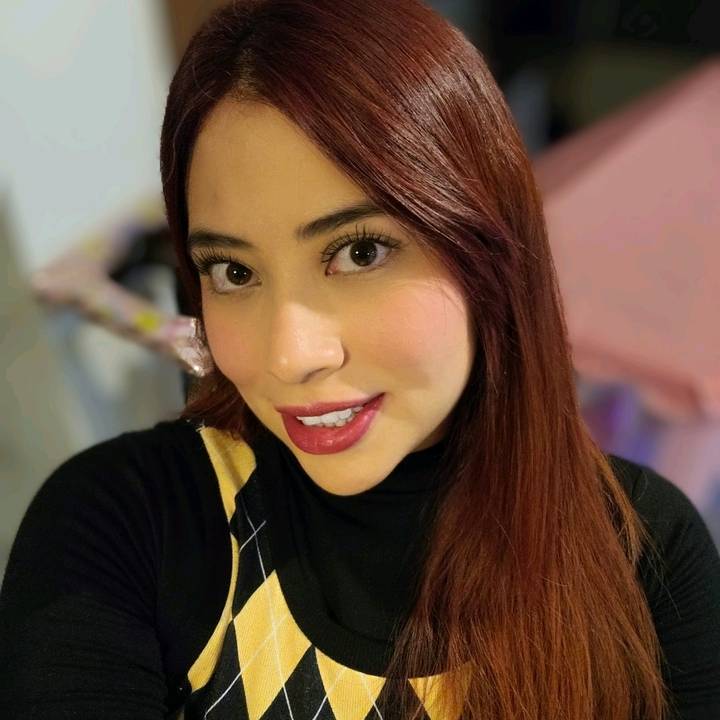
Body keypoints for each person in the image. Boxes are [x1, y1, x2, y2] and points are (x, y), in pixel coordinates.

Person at [2, 0, 719, 718]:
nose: (291, 356)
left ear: (488, 251)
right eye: (234, 271)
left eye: (360, 252)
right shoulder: (124, 525)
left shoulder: (641, 553)